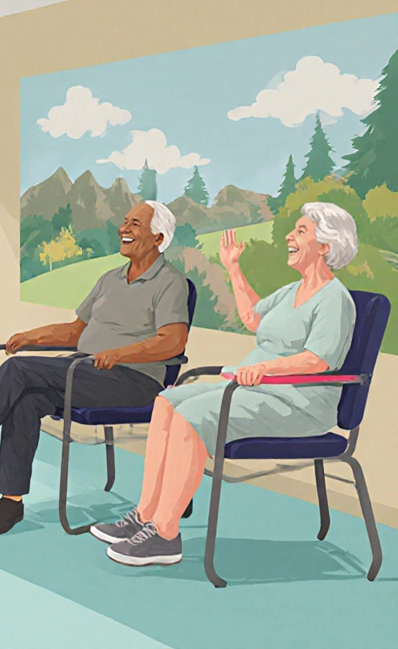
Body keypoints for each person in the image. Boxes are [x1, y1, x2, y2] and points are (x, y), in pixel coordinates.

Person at [0, 201, 191, 534]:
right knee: (26, 398)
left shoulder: (170, 282)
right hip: (86, 371)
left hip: (133, 381)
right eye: (124, 221)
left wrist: (122, 353)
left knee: (17, 372)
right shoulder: (110, 279)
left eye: (135, 224)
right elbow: (76, 331)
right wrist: (32, 337)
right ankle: (11, 500)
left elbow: (173, 342)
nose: (123, 229)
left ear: (158, 238)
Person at [92, 202, 359, 566]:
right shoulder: (292, 290)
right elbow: (252, 318)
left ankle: (166, 534)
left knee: (192, 417)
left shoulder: (335, 299)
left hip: (298, 404)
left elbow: (319, 360)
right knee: (166, 402)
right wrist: (233, 266)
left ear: (325, 246)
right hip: (254, 389)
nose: (289, 236)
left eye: (300, 231)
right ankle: (145, 515)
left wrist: (263, 368)